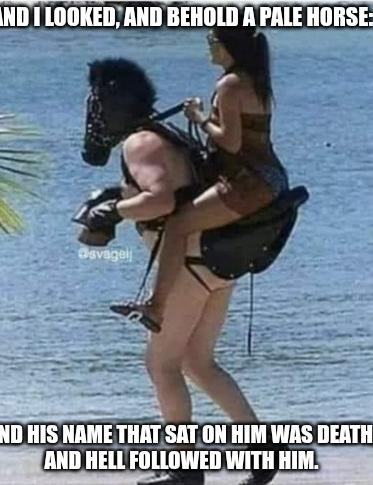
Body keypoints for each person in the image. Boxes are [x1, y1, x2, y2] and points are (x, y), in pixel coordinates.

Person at [78, 47, 288, 484]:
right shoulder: (166, 134)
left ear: (109, 105)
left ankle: (184, 469)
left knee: (161, 365)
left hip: (188, 269)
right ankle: (263, 450)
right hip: (216, 265)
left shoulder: (139, 142)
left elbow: (160, 200)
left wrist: (113, 211)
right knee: (197, 361)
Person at [112, 24, 289, 334]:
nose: (209, 45)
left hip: (248, 183)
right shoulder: (252, 79)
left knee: (178, 224)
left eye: (212, 40)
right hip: (269, 177)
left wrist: (199, 118)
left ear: (228, 46)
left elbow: (230, 143)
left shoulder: (230, 84)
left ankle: (156, 307)